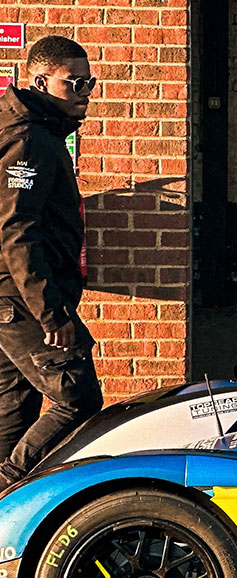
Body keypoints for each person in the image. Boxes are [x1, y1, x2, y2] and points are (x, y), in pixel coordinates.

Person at [0, 36, 104, 490]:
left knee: (14, 407)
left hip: (11, 298)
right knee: (78, 398)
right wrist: (52, 313)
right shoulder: (29, 140)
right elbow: (16, 230)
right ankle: (10, 492)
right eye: (73, 83)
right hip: (21, 298)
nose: (83, 93)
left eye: (90, 83)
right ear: (41, 80)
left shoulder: (34, 131)